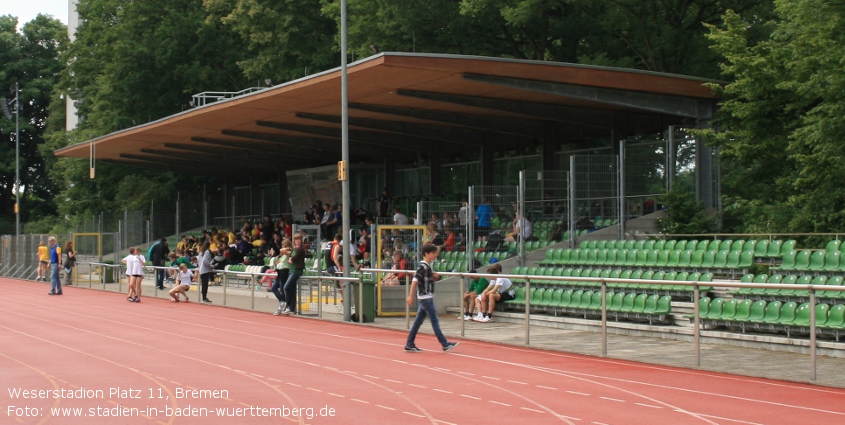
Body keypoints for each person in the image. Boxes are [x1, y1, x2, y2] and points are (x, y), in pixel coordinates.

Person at [404, 243, 459, 353]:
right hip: (426, 298)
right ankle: (444, 343)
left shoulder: (427, 267)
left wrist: (432, 275)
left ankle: (410, 343)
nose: (435, 255)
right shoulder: (423, 267)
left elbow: (425, 279)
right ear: (426, 254)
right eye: (433, 253)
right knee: (434, 320)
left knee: (418, 322)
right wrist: (410, 296)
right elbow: (415, 281)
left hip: (426, 297)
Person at [280, 235, 306, 315]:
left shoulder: (301, 249)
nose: (297, 241)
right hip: (291, 270)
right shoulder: (294, 249)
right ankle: (292, 308)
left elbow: (294, 258)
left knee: (286, 287)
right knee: (292, 289)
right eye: (296, 240)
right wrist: (289, 250)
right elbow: (283, 251)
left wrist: (291, 259)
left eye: (299, 239)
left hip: (297, 270)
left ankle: (288, 306)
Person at [271, 240, 292, 315]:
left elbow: (286, 250)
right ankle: (282, 301)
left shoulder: (288, 253)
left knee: (283, 289)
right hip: (279, 272)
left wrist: (286, 248)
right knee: (274, 288)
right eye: (282, 245)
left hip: (284, 272)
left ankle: (286, 305)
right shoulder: (282, 255)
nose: (283, 247)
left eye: (285, 245)